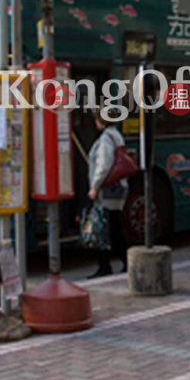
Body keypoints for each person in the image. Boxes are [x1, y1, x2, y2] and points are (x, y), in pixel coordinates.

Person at [86, 110, 129, 278]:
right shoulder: (116, 135)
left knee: (103, 228)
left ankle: (105, 266)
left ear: (100, 121)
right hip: (117, 189)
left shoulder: (106, 139)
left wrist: (95, 186)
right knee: (114, 227)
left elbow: (104, 165)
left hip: (108, 190)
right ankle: (122, 262)